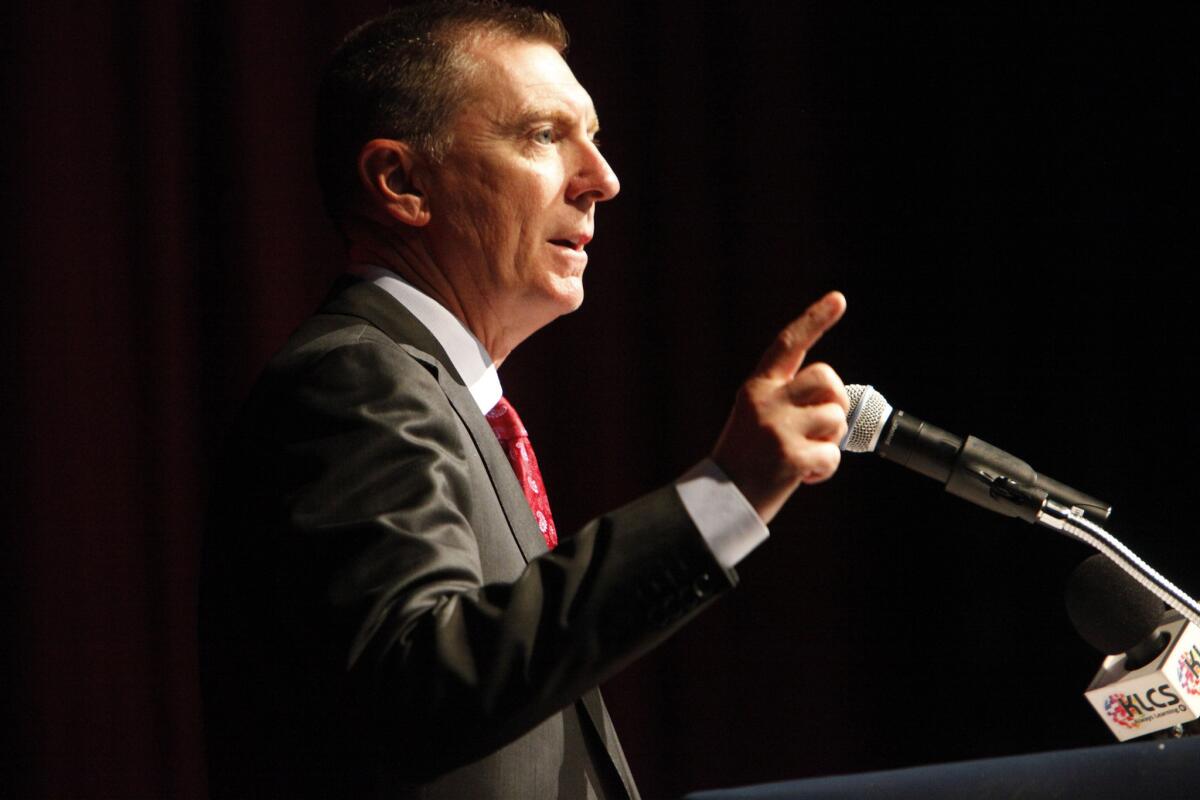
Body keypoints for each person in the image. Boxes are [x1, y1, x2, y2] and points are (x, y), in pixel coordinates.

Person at [199, 2, 850, 798]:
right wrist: (723, 496)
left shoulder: (447, 399)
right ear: (402, 182)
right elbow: (423, 678)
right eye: (544, 135)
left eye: (595, 137)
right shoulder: (353, 381)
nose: (602, 180)